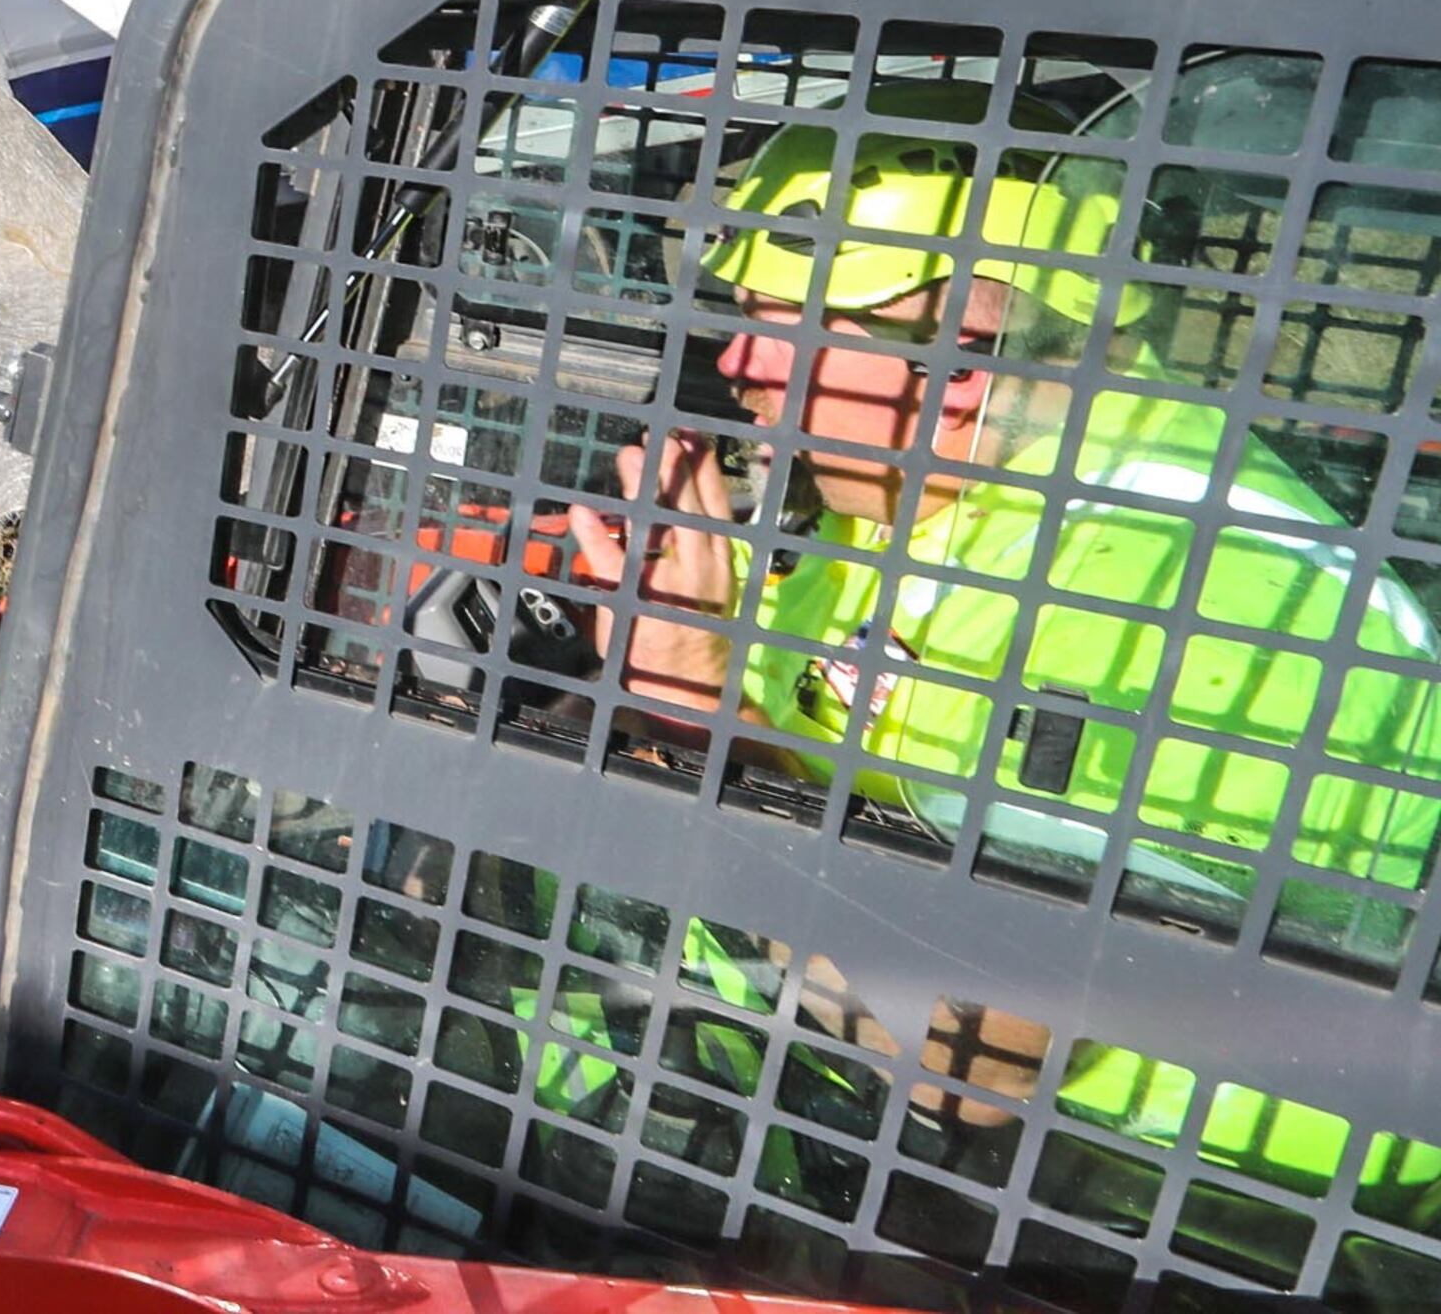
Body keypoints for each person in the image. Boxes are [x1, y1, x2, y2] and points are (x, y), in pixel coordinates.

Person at [564, 83, 1441, 1254]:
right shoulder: (903, 508)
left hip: (1178, 1236)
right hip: (864, 1158)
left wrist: (689, 713)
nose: (737, 362)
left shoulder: (1197, 589)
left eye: (785, 327)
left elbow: (964, 1059)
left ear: (965, 360)